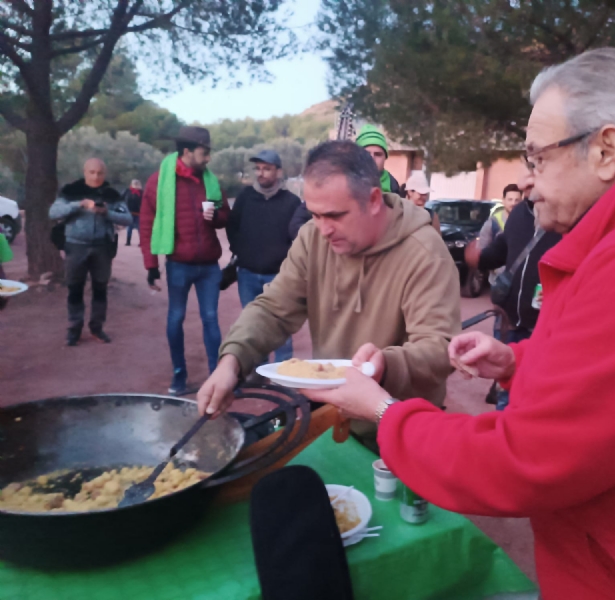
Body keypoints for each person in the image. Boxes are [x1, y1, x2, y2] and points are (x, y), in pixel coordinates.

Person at [303, 48, 615, 598]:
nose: (529, 182)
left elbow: (525, 462)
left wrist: (383, 410)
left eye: (537, 158)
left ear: (607, 149)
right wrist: (518, 359)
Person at [197, 140, 460, 451]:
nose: (323, 229)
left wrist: (383, 365)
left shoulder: (425, 252)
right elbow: (273, 309)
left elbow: (439, 348)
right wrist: (232, 361)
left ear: (374, 200)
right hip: (330, 418)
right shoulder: (312, 239)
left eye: (334, 215)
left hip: (400, 428)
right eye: (315, 215)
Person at [139, 126, 230, 395]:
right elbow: (146, 223)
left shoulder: (210, 181)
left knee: (211, 318)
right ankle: (179, 375)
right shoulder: (159, 181)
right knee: (176, 318)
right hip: (178, 264)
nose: (208, 159)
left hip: (209, 265)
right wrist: (151, 265)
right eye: (204, 153)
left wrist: (217, 217)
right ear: (187, 151)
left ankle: (216, 375)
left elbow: (226, 216)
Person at [466, 189, 560, 410]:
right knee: (505, 393)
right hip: (508, 320)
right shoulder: (519, 214)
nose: (525, 181)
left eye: (538, 163)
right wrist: (479, 259)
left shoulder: (567, 215)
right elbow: (501, 251)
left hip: (543, 324)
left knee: (536, 392)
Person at [227, 149, 301, 363]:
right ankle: (257, 371)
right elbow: (233, 227)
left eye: (267, 169)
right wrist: (241, 251)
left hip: (279, 277)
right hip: (247, 274)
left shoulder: (291, 202)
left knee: (281, 326)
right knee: (252, 325)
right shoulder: (245, 197)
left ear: (278, 172)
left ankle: (283, 374)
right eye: (258, 169)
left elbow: (297, 238)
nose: (261, 173)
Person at [49, 158, 132, 346]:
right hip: (75, 246)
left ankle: (97, 328)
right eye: (92, 172)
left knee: (100, 289)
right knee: (75, 288)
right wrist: (78, 205)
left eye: (100, 173)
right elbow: (53, 212)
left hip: (102, 247)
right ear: (85, 172)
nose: (96, 176)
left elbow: (127, 218)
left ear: (105, 174)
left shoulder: (111, 194)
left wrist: (107, 213)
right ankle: (74, 329)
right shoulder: (71, 191)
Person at [355, 124, 401, 194]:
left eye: (378, 154)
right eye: (366, 153)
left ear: (385, 158)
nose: (372, 158)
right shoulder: (346, 178)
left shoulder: (392, 184)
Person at [478, 184, 522, 249]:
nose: (513, 203)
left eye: (517, 200)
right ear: (503, 200)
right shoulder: (493, 222)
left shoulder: (526, 221)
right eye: (510, 199)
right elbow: (482, 250)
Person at [123, 179, 143, 246]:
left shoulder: (141, 192)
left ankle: (141, 242)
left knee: (139, 228)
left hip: (138, 213)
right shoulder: (127, 191)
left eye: (137, 183)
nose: (136, 184)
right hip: (129, 212)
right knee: (129, 228)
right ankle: (128, 241)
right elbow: (121, 198)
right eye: (134, 183)